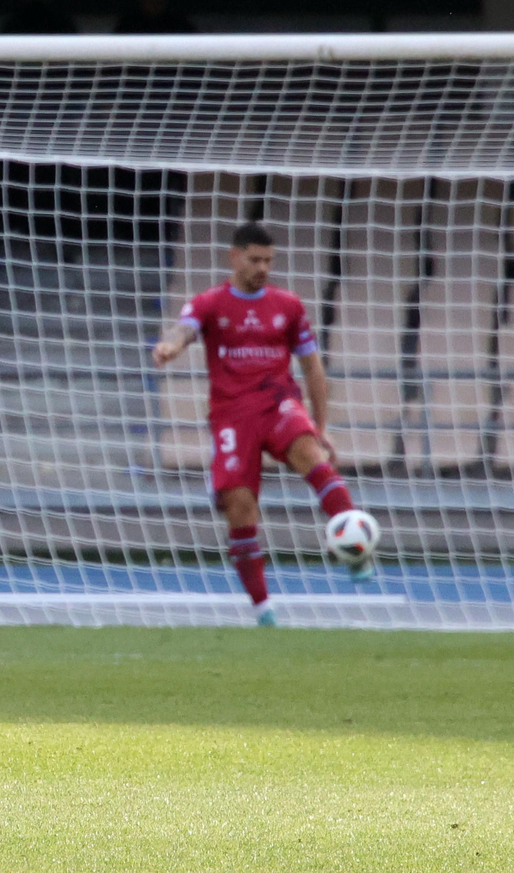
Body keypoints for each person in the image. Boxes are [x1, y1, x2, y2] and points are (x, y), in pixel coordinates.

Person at [153, 222, 369, 628]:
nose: (262, 268)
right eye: (254, 259)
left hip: (278, 403)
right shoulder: (210, 303)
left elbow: (313, 368)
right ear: (235, 257)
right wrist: (171, 346)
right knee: (239, 507)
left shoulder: (287, 306)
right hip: (232, 414)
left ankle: (357, 550)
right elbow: (185, 330)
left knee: (311, 453)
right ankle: (264, 612)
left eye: (268, 261)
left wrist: (321, 426)